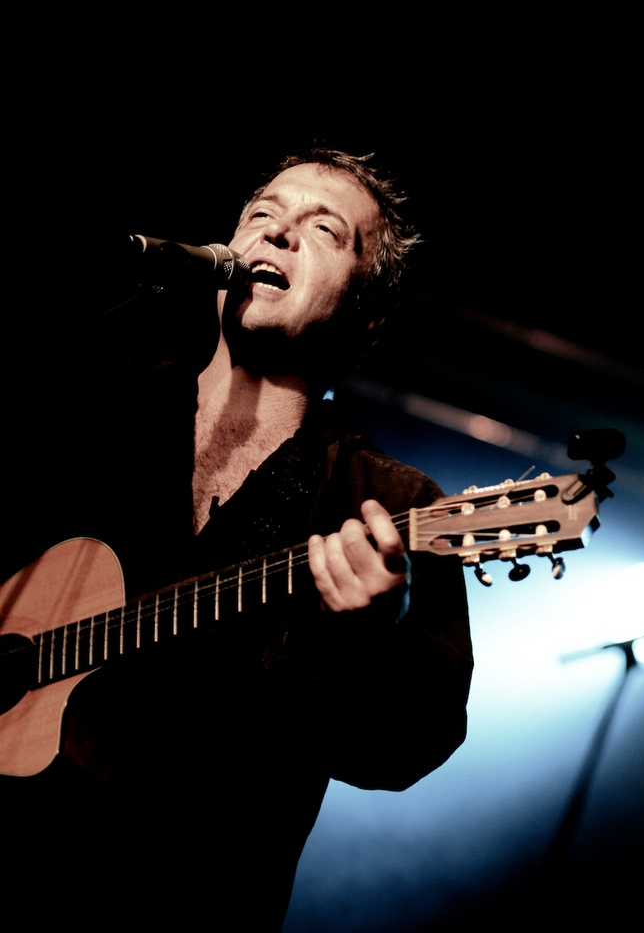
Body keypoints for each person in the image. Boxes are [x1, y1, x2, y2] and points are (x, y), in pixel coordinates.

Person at [2, 149, 474, 930]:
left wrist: (370, 636)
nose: (279, 233)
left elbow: (403, 752)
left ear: (368, 311)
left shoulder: (386, 505)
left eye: (323, 229)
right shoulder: (90, 409)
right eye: (262, 213)